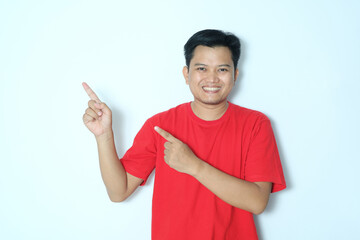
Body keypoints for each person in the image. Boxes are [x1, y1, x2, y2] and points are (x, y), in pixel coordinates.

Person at [82, 29, 286, 240]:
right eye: (202, 68)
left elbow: (257, 202)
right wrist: (104, 136)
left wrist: (193, 165)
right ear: (186, 74)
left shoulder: (255, 124)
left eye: (222, 69)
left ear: (235, 75)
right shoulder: (160, 125)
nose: (212, 78)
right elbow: (119, 191)